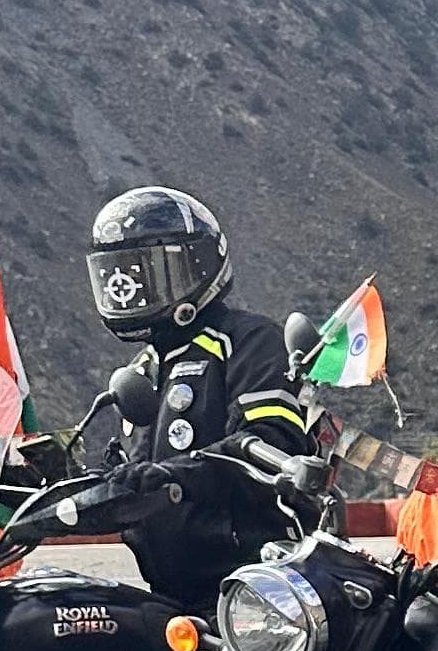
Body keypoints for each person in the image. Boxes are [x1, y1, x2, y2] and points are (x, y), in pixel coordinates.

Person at [62, 186, 312, 603]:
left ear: (200, 264)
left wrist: (173, 474)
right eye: (123, 271)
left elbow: (274, 442)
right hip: (170, 595)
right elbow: (139, 473)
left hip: (255, 591)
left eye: (154, 270)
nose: (134, 286)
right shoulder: (146, 369)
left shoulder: (249, 340)